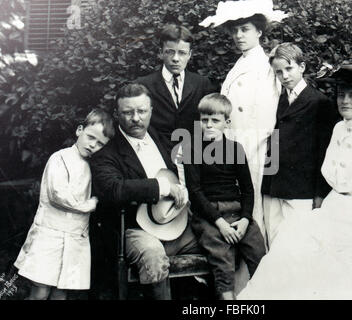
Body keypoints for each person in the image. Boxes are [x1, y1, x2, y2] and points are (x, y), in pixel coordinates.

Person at [237, 65, 352, 299]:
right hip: (334, 208)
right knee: (290, 241)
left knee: (339, 259)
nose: (345, 101)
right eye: (341, 95)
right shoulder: (338, 128)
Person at [89, 83, 201, 300]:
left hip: (177, 223)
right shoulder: (107, 153)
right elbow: (114, 189)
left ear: (151, 110)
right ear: (117, 114)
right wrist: (163, 187)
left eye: (141, 111)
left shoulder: (160, 138)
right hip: (136, 229)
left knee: (220, 242)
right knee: (153, 255)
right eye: (128, 112)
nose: (136, 118)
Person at [199, 0, 288, 241]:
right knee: (240, 209)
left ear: (259, 31)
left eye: (245, 29)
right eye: (235, 30)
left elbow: (267, 115)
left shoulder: (266, 66)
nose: (239, 35)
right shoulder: (241, 63)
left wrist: (251, 147)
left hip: (254, 149)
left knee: (255, 209)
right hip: (236, 147)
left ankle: (257, 273)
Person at [14, 108, 114, 300]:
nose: (93, 145)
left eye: (101, 143)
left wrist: (97, 200)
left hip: (75, 238)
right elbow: (57, 194)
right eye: (91, 137)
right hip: (50, 235)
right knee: (40, 292)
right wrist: (88, 205)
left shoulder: (93, 166)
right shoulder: (60, 158)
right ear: (79, 130)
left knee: (61, 293)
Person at [184, 93, 266, 300]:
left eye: (215, 120)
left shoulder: (235, 149)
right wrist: (220, 223)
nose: (209, 125)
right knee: (222, 262)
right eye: (204, 120)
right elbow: (195, 192)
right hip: (209, 215)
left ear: (226, 123)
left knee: (259, 254)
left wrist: (246, 220)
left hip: (237, 213)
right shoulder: (191, 149)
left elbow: (248, 189)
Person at [261, 43, 337, 246]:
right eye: (278, 72)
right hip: (273, 185)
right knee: (274, 244)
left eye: (289, 69)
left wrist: (320, 193)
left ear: (302, 67)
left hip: (301, 189)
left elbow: (325, 151)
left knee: (299, 245)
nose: (284, 76)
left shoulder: (319, 102)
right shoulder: (276, 100)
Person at [135, 23, 216, 162]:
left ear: (190, 54)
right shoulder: (144, 85)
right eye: (170, 51)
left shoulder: (202, 84)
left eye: (182, 53)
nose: (176, 58)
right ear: (161, 52)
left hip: (195, 160)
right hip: (157, 158)